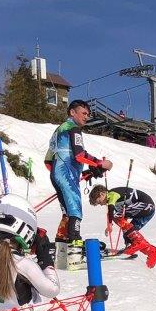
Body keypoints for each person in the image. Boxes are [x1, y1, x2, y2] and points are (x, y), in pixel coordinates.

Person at [44, 100, 112, 246]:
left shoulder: (58, 131)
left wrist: (72, 173)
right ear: (72, 112)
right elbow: (80, 155)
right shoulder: (74, 128)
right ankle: (74, 239)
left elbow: (48, 161)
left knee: (67, 209)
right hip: (65, 174)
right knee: (74, 205)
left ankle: (61, 239)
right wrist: (100, 163)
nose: (86, 117)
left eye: (88, 114)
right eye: (84, 113)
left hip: (57, 173)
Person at [87, 184, 156, 267]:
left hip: (147, 206)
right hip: (146, 212)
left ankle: (138, 243)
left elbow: (111, 209)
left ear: (102, 194)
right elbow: (123, 218)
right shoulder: (115, 201)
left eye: (99, 202)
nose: (101, 204)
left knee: (116, 216)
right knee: (129, 234)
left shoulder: (112, 194)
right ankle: (153, 253)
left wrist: (110, 224)